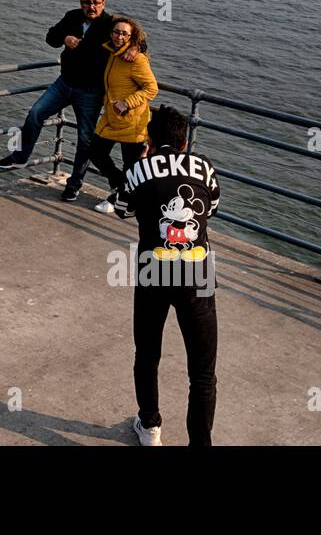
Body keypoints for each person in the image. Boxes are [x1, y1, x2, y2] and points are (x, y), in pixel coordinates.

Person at [115, 104, 220, 447]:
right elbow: (212, 208)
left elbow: (121, 209)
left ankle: (150, 426)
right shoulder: (205, 168)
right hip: (198, 275)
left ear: (149, 137)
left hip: (153, 272)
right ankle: (200, 444)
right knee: (202, 373)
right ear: (185, 142)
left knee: (147, 354)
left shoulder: (139, 169)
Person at [0, 0, 141, 200]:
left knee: (85, 139)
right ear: (80, 2)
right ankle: (21, 156)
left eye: (95, 3)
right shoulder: (72, 17)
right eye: (86, 2)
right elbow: (50, 37)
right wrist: (65, 38)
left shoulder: (110, 24)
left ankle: (74, 184)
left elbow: (139, 40)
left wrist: (134, 48)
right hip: (64, 83)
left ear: (103, 4)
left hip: (91, 91)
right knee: (36, 113)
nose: (91, 6)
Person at [87, 15, 158, 214]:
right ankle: (122, 188)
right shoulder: (113, 52)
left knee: (131, 165)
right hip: (111, 116)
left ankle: (119, 198)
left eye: (125, 34)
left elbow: (151, 89)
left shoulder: (136, 59)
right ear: (111, 33)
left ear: (131, 37)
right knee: (96, 152)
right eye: (116, 32)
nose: (119, 36)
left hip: (132, 121)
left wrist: (127, 102)